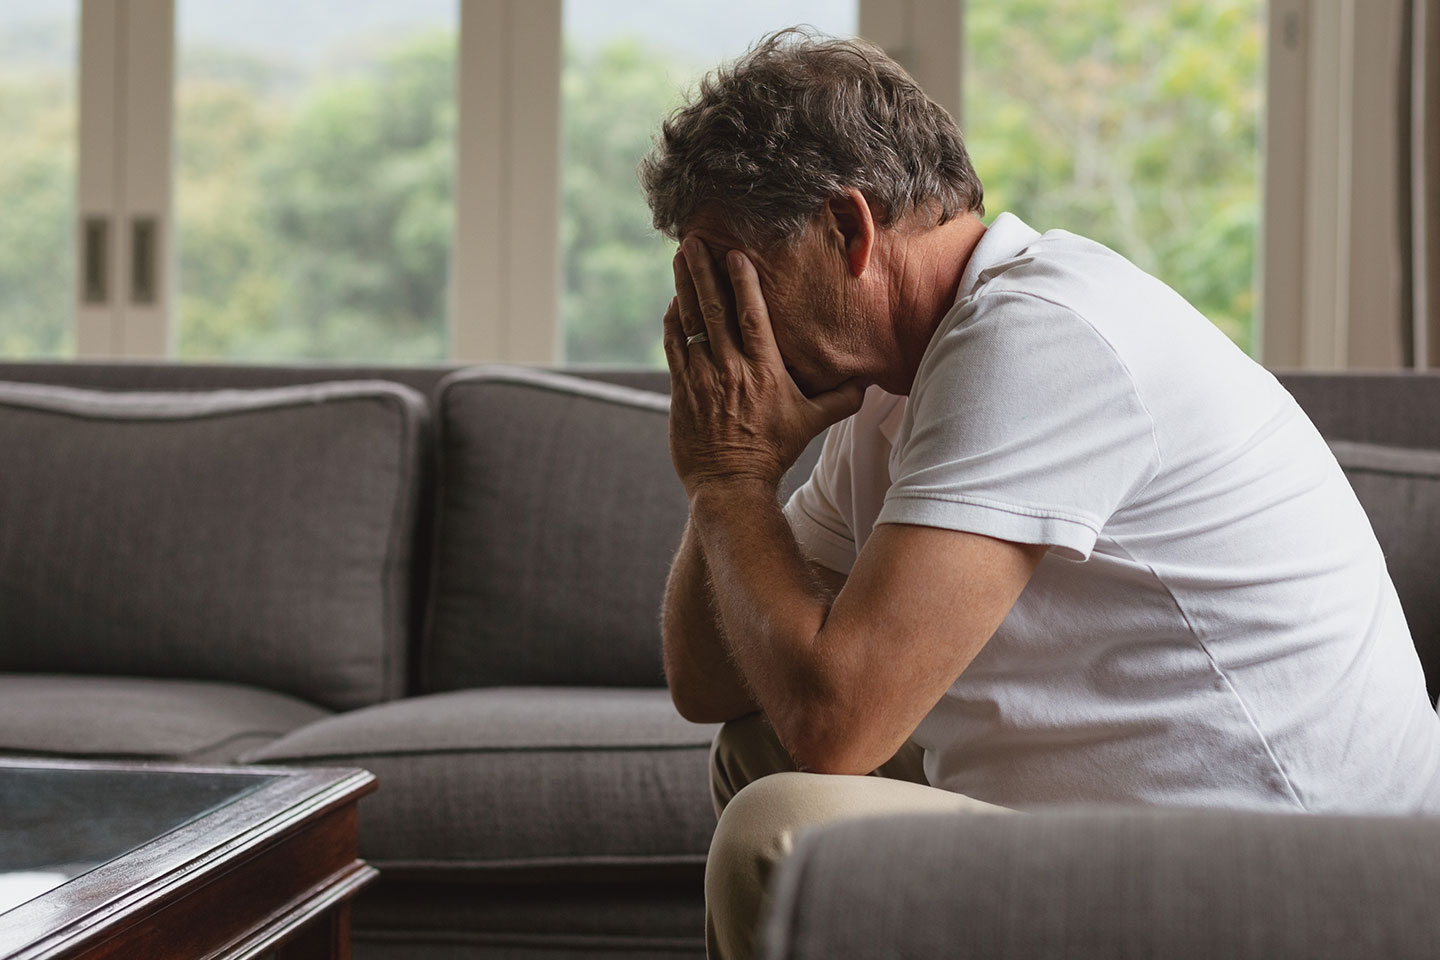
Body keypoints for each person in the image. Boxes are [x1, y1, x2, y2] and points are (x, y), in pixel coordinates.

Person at [639, 28, 1440, 960]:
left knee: (779, 829)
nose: (716, 329)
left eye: (729, 277)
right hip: (1151, 834)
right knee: (754, 744)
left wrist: (731, 475)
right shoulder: (893, 393)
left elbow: (837, 722)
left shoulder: (1038, 335)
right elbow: (708, 684)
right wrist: (726, 480)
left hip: (1300, 867)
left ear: (848, 231)